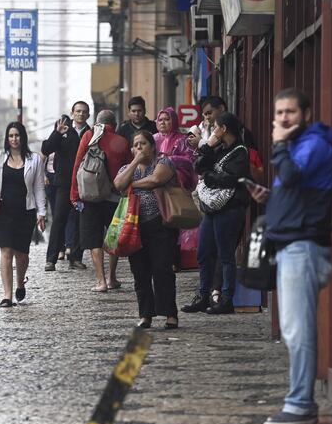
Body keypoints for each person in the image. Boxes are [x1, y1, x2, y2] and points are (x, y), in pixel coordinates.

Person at [246, 88, 332, 424]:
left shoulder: (313, 144)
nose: (284, 118)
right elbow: (297, 191)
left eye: (291, 113)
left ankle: (300, 405)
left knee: (298, 331)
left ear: (307, 114)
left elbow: (295, 175)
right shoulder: (297, 146)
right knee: (293, 329)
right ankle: (300, 402)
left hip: (303, 247)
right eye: (279, 112)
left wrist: (279, 143)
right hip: (291, 244)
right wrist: (270, 198)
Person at [182, 112, 250, 315]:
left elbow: (232, 178)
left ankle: (226, 299)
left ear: (224, 129)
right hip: (212, 208)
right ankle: (203, 296)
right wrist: (208, 146)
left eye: (216, 127)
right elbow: (198, 166)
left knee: (225, 255)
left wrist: (210, 177)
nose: (213, 130)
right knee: (204, 253)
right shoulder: (219, 148)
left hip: (231, 208)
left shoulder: (240, 152)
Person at [113, 130, 180, 329]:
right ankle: (145, 314)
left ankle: (170, 313)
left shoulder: (163, 162)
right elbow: (117, 184)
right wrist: (135, 162)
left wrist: (131, 185)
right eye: (136, 145)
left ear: (152, 146)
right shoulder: (128, 167)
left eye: (143, 143)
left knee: (162, 269)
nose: (139, 147)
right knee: (140, 272)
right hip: (134, 228)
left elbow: (156, 180)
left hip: (160, 224)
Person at [0, 122, 46, 307]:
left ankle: (20, 282)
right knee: (6, 251)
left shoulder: (34, 159)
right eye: (11, 136)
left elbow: (39, 188)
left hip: (25, 212)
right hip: (2, 212)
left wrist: (42, 212)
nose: (14, 139)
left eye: (17, 135)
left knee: (22, 254)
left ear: (22, 137)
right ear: (7, 138)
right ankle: (7, 296)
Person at [70, 110, 130, 292]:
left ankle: (100, 281)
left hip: (90, 196)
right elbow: (128, 169)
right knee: (113, 237)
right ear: (114, 124)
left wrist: (74, 194)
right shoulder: (122, 141)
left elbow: (78, 165)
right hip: (114, 197)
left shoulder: (89, 136)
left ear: (97, 122)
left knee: (93, 239)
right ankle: (112, 278)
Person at [41, 101, 91, 271]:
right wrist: (57, 133)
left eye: (84, 112)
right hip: (63, 184)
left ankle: (76, 258)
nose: (81, 114)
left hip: (83, 185)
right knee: (59, 221)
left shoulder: (91, 133)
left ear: (88, 114)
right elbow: (47, 149)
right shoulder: (63, 130)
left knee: (79, 221)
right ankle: (51, 259)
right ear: (72, 113)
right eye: (78, 111)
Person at [154, 106, 198, 191]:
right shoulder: (153, 138)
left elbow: (190, 160)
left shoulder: (183, 139)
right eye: (160, 120)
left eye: (167, 119)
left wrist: (171, 160)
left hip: (176, 180)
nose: (162, 122)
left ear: (173, 121)